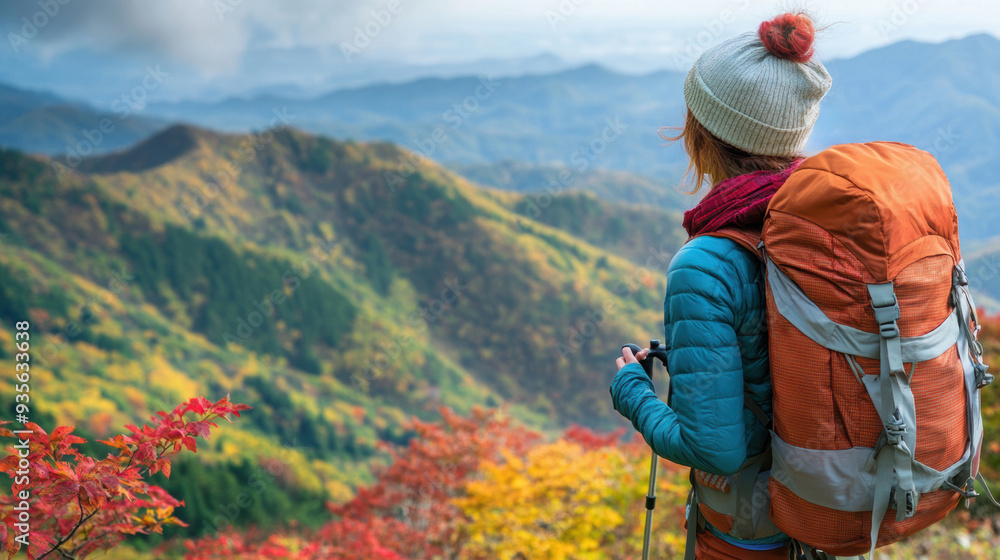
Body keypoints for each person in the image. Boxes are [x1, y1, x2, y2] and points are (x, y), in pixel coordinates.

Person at [609, 12, 833, 560]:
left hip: (750, 535)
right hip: (836, 515)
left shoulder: (706, 264)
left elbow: (714, 449)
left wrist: (633, 394)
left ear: (705, 132)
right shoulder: (828, 221)